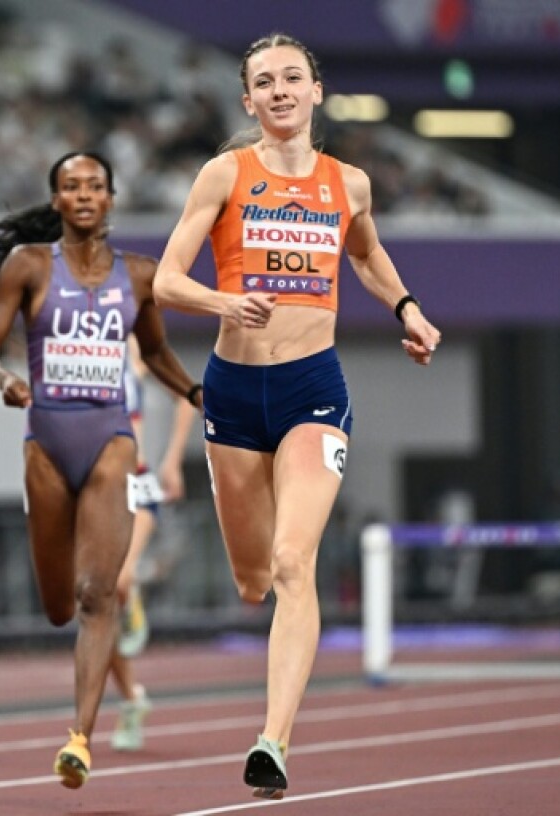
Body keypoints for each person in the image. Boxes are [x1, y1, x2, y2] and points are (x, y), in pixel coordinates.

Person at [152, 33, 442, 800]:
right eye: (264, 82)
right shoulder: (224, 174)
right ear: (248, 100)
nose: (279, 90)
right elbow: (166, 282)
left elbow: (366, 256)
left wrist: (408, 308)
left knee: (292, 563)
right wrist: (224, 301)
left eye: (291, 78)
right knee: (253, 578)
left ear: (317, 91)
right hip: (233, 392)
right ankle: (270, 704)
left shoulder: (349, 184)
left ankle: (272, 741)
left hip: (313, 387)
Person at [0, 151, 201, 789]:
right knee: (59, 607)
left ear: (111, 198)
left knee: (99, 594)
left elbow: (157, 352)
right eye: (72, 186)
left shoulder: (139, 275)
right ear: (58, 201)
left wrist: (197, 393)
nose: (86, 194)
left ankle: (80, 739)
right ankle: (89, 675)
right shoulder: (28, 265)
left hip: (110, 439)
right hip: (45, 445)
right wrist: (5, 379)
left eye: (96, 185)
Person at [107, 336, 197, 752]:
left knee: (117, 581)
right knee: (96, 607)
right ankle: (131, 699)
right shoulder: (73, 339)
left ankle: (131, 593)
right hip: (94, 485)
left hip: (138, 480)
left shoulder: (135, 344)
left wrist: (171, 461)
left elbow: (188, 397)